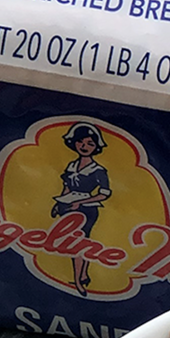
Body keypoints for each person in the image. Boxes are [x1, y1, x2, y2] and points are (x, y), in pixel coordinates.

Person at [51, 122, 112, 296]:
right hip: (69, 207)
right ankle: (83, 275)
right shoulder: (71, 166)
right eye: (81, 143)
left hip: (87, 210)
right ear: (74, 143)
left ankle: (78, 280)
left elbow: (104, 193)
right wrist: (59, 203)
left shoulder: (98, 170)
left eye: (90, 144)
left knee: (78, 243)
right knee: (75, 243)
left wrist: (83, 202)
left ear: (96, 147)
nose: (84, 147)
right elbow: (66, 188)